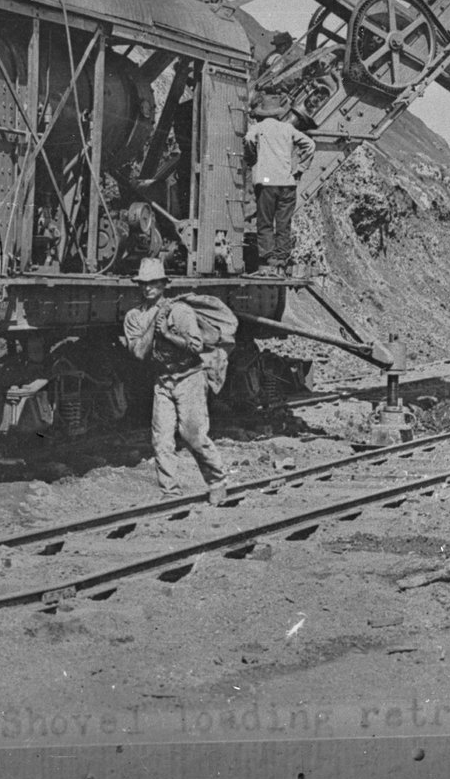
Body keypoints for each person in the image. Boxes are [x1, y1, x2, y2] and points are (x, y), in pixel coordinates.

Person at [122, 257, 232, 504]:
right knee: (161, 440)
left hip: (189, 378)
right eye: (144, 284)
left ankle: (217, 481)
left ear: (163, 285)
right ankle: (170, 491)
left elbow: (195, 346)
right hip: (162, 381)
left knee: (193, 436)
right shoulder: (134, 317)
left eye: (154, 283)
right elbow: (139, 352)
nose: (148, 288)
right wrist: (154, 326)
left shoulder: (180, 311)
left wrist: (169, 335)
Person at [245, 94, 314, 273]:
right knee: (283, 223)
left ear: (260, 113)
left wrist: (252, 158)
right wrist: (300, 168)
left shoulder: (257, 127)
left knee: (265, 222)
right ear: (277, 114)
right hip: (287, 184)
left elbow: (248, 141)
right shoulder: (287, 128)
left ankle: (268, 258)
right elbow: (310, 145)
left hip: (267, 183)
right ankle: (282, 258)